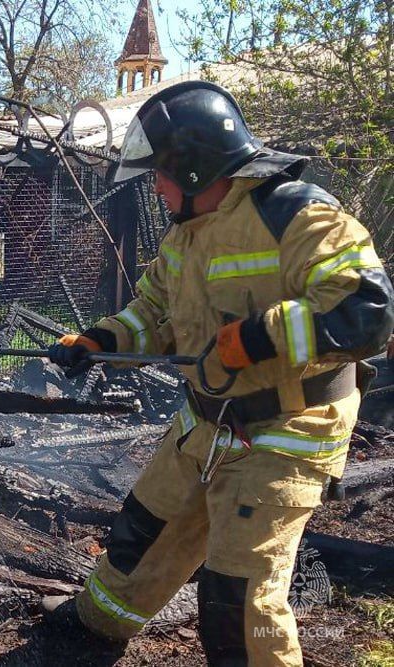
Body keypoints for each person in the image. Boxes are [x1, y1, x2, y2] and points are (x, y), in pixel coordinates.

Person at [42, 80, 394, 666]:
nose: (155, 187)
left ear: (195, 168)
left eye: (160, 173)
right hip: (206, 421)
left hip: (287, 429)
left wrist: (257, 339)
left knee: (238, 599)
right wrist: (100, 341)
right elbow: (153, 312)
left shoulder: (299, 216)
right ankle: (96, 626)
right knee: (142, 535)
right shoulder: (185, 234)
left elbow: (368, 310)